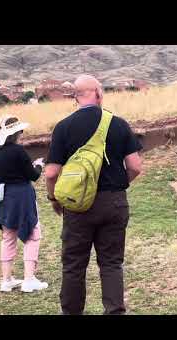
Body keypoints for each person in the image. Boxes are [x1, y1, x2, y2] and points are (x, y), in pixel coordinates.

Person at [45, 75, 143, 315]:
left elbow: (50, 173)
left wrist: (54, 199)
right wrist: (118, 188)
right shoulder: (118, 124)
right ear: (98, 93)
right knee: (111, 263)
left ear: (75, 97)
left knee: (74, 265)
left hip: (77, 207)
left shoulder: (64, 127)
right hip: (114, 202)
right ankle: (114, 311)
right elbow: (135, 166)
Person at [0, 115, 48, 293]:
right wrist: (38, 165)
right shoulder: (18, 151)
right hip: (21, 195)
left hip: (3, 195)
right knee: (32, 234)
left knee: (8, 237)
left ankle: (6, 280)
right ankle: (29, 279)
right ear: (16, 132)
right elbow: (33, 176)